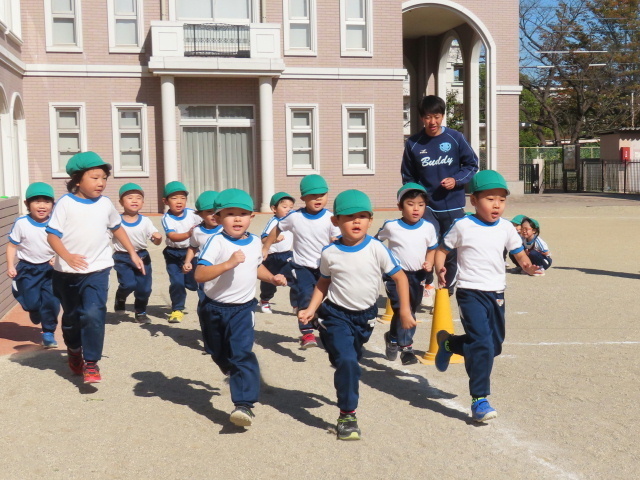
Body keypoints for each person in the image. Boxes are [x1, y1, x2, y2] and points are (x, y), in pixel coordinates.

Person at [298, 189, 413, 441]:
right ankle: (347, 416)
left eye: (362, 216)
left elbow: (400, 277)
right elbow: (323, 283)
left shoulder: (376, 248)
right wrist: (310, 308)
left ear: (370, 220)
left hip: (365, 317)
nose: (356, 221)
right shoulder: (330, 252)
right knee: (348, 363)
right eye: (349, 217)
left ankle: (340, 355)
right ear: (335, 221)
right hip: (336, 314)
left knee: (351, 358)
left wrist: (404, 310)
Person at [433, 170, 539, 422]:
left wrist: (528, 266)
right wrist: (440, 268)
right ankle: (479, 399)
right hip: (470, 291)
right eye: (490, 199)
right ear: (473, 200)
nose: (497, 205)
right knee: (481, 342)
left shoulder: (506, 228)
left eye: (501, 200)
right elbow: (442, 249)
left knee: (494, 346)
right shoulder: (462, 225)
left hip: (497, 293)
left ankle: (450, 343)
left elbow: (519, 255)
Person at [46, 151, 144, 384]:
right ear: (78, 180)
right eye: (95, 178)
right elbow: (52, 236)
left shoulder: (106, 204)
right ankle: (73, 349)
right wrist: (67, 257)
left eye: (104, 178)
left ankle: (91, 362)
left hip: (98, 269)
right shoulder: (65, 204)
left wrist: (132, 252)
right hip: (66, 273)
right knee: (71, 317)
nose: (101, 183)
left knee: (92, 314)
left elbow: (117, 228)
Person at [194, 188, 287, 427]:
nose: (237, 219)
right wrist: (227, 263)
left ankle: (244, 405)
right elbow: (200, 274)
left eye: (243, 214)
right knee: (217, 352)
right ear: (217, 218)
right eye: (230, 214)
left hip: (243, 309)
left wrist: (271, 278)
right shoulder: (216, 241)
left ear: (251, 217)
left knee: (242, 353)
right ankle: (231, 369)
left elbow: (255, 268)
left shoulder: (255, 242)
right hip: (213, 308)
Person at [401, 95, 479, 292]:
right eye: (428, 117)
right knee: (425, 244)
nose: (432, 122)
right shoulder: (414, 143)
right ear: (421, 118)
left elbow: (472, 164)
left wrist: (456, 180)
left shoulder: (455, 138)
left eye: (436, 116)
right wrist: (417, 200)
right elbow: (408, 176)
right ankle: (425, 284)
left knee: (450, 248)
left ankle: (446, 288)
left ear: (443, 116)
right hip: (427, 206)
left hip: (453, 204)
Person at [262, 175, 340, 349]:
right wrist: (266, 247)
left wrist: (337, 243)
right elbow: (277, 228)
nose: (318, 198)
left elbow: (339, 238)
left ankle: (321, 324)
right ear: (303, 198)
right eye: (312, 195)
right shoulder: (294, 217)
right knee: (305, 296)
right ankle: (307, 333)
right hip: (302, 266)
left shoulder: (331, 218)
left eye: (322, 194)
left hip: (325, 268)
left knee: (329, 299)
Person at [376, 182, 438, 365]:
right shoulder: (391, 226)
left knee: (410, 309)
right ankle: (407, 348)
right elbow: (376, 243)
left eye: (420, 204)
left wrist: (430, 262)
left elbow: (433, 248)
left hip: (418, 275)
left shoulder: (428, 227)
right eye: (410, 204)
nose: (416, 209)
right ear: (400, 206)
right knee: (403, 309)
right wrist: (386, 261)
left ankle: (393, 337)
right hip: (395, 275)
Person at [6, 182, 60, 348]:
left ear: (53, 204)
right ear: (27, 204)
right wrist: (10, 265)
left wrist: (57, 258)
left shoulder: (56, 223)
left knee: (51, 301)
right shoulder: (21, 223)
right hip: (28, 268)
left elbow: (65, 244)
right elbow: (12, 245)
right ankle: (34, 310)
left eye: (46, 201)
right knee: (31, 302)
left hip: (50, 269)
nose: (42, 205)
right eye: (37, 201)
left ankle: (48, 332)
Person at [113, 183, 162, 324]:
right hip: (122, 257)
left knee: (144, 288)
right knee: (128, 284)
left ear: (143, 202)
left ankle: (140, 312)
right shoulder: (116, 221)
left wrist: (157, 238)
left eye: (138, 198)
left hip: (142, 256)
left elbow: (155, 239)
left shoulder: (146, 221)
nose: (134, 200)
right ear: (121, 202)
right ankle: (120, 298)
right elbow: (106, 238)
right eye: (130, 197)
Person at [161, 181, 200, 323]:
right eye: (174, 198)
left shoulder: (193, 214)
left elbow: (207, 221)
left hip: (191, 253)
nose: (179, 201)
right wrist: (189, 234)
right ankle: (177, 309)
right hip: (173, 254)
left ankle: (205, 302)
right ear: (165, 201)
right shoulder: (167, 218)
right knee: (177, 282)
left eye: (182, 198)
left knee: (194, 283)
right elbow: (172, 236)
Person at [258, 192, 295, 314]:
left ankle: (297, 305)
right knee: (269, 282)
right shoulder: (273, 222)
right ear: (274, 209)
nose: (288, 210)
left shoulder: (292, 220)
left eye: (291, 207)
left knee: (296, 278)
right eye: (284, 207)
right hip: (272, 257)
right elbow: (263, 239)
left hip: (287, 255)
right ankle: (265, 300)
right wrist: (274, 239)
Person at [182, 190, 222, 303]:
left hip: (222, 267)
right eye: (209, 212)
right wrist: (187, 262)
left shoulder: (226, 229)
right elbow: (193, 247)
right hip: (204, 267)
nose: (214, 215)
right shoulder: (197, 231)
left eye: (217, 211)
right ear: (200, 214)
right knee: (204, 294)